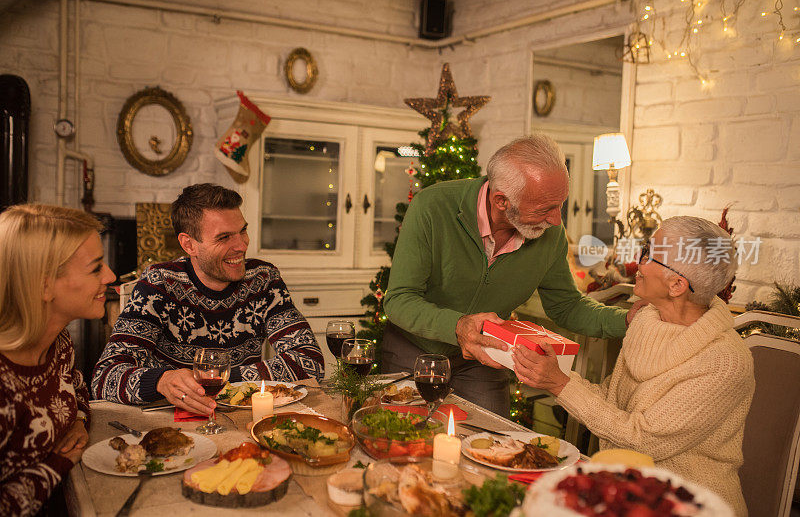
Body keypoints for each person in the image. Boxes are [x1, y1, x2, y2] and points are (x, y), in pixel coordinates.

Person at [382, 135, 641, 416]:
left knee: (495, 444)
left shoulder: (550, 235)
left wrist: (626, 320)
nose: (556, 221)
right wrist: (458, 326)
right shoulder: (432, 207)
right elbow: (399, 300)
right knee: (403, 440)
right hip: (414, 352)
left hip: (486, 361)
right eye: (544, 209)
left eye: (560, 205)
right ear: (501, 201)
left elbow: (567, 306)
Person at [513, 216, 754, 516]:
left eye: (649, 254)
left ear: (677, 284)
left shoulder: (723, 361)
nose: (636, 261)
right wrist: (555, 375)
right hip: (625, 492)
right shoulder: (647, 322)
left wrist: (559, 384)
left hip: (688, 504)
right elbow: (610, 399)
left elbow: (642, 440)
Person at [91, 184, 324, 416]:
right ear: (189, 244)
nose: (242, 246)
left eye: (242, 231)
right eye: (224, 237)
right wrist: (162, 381)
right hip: (170, 422)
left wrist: (214, 380)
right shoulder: (158, 284)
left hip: (242, 416)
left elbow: (310, 361)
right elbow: (104, 377)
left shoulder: (264, 280)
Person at [0, 204, 116, 516]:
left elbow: (78, 389)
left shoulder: (58, 342)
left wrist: (77, 420)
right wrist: (61, 463)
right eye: (95, 268)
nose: (111, 275)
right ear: (44, 285)